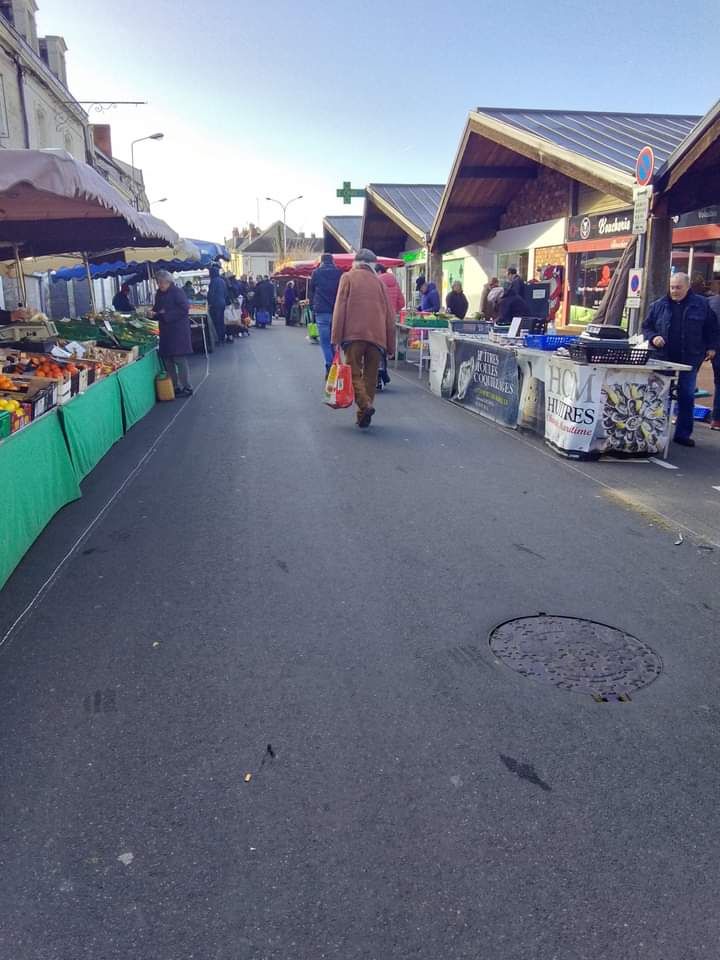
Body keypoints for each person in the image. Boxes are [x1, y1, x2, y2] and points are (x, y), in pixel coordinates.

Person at [642, 271, 719, 447]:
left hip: (690, 358)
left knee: (686, 394)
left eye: (678, 287)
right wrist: (654, 337)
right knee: (659, 394)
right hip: (663, 357)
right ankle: (655, 430)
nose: (674, 291)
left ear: (687, 287)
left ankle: (683, 434)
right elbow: (646, 327)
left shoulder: (701, 305)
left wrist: (712, 347)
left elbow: (712, 328)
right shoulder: (659, 305)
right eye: (672, 287)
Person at [331, 248, 396, 429]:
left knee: (353, 372)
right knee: (370, 376)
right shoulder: (380, 283)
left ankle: (365, 405)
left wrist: (336, 337)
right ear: (373, 265)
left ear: (355, 262)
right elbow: (390, 316)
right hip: (377, 338)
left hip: (353, 335)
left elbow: (339, 309)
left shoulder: (348, 277)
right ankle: (363, 415)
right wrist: (391, 345)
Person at [152, 270, 193, 397]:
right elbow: (157, 308)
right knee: (168, 360)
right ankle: (175, 386)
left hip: (178, 331)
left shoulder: (177, 292)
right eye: (158, 283)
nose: (160, 285)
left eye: (162, 283)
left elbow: (184, 308)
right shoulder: (159, 294)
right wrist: (153, 313)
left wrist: (165, 315)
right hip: (165, 331)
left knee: (179, 359)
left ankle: (187, 387)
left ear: (168, 282)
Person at [309, 252, 343, 375]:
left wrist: (313, 306)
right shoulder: (339, 273)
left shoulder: (316, 273)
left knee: (324, 341)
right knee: (334, 340)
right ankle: (336, 365)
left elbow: (312, 291)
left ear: (322, 261)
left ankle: (330, 366)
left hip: (321, 310)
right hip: (336, 311)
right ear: (333, 261)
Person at [376, 265, 405, 390]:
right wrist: (394, 311)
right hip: (391, 318)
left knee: (376, 346)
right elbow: (402, 302)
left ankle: (378, 374)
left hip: (378, 317)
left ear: (378, 271)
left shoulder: (377, 281)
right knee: (385, 345)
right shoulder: (395, 282)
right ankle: (383, 371)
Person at [707, 290, 720, 430]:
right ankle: (717, 419)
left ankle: (717, 419)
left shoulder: (710, 302)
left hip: (711, 347)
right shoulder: (711, 302)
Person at [207, 265, 227, 344]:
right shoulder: (222, 281)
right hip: (222, 302)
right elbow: (226, 293)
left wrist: (210, 303)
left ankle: (218, 338)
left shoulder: (213, 281)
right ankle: (222, 337)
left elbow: (211, 294)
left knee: (216, 321)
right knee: (221, 321)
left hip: (216, 304)